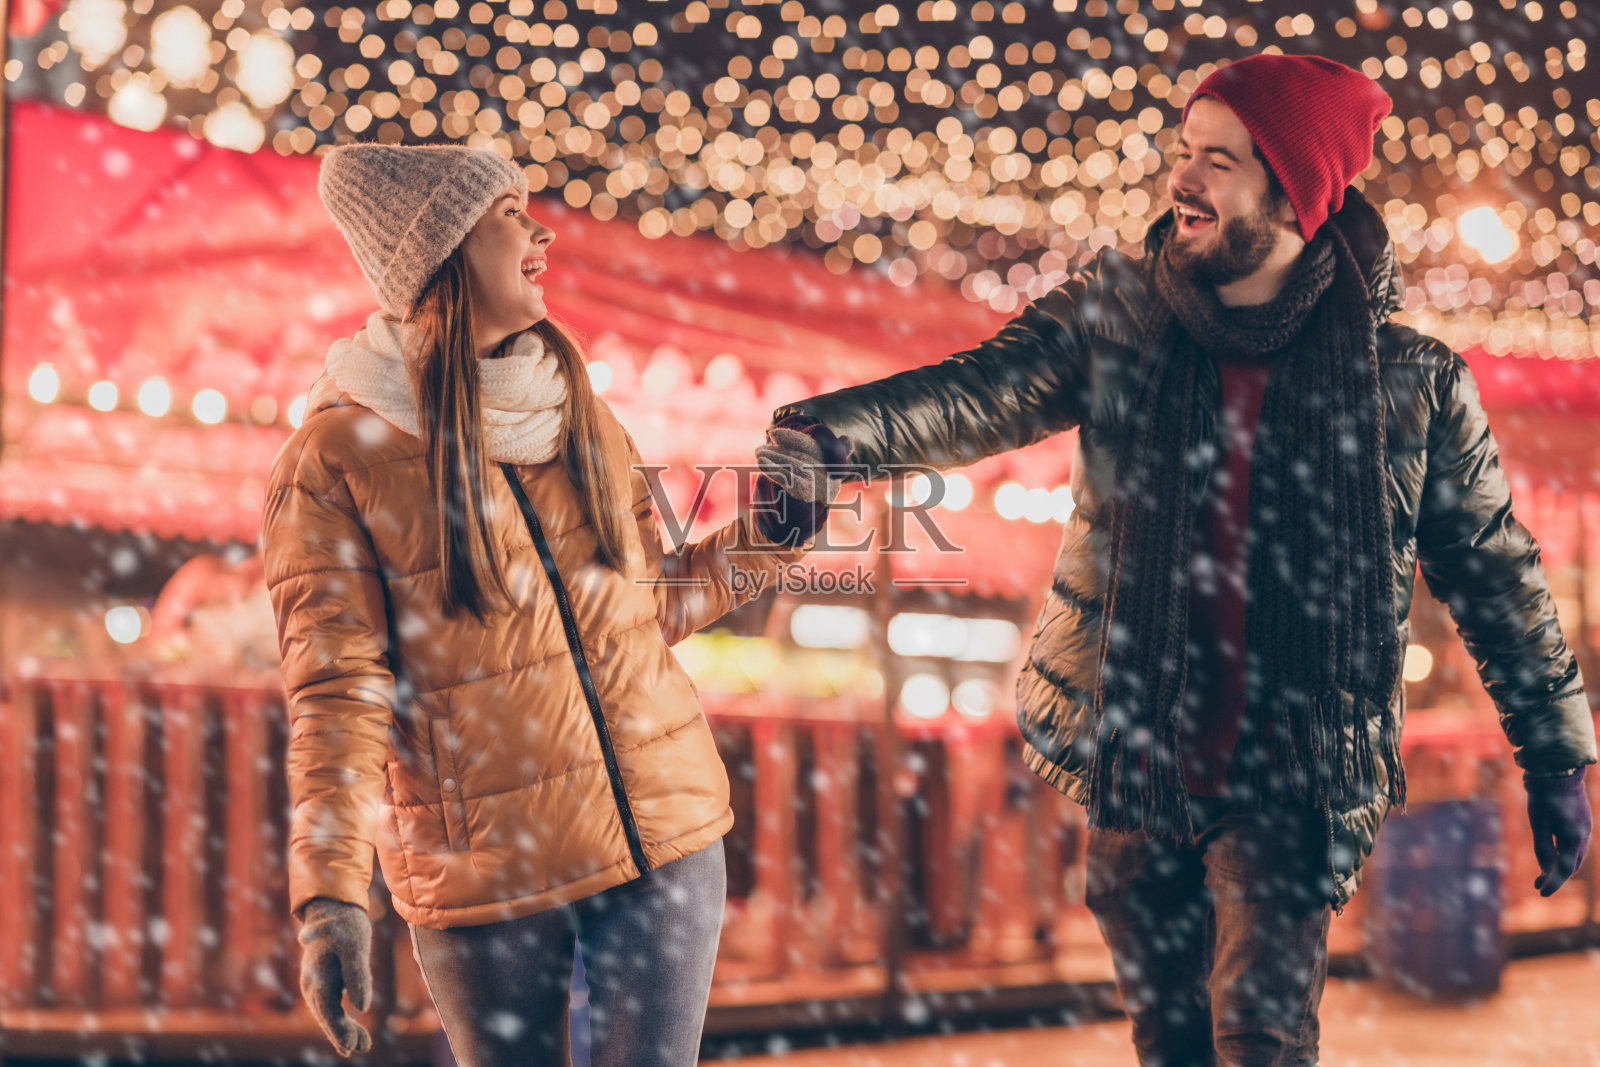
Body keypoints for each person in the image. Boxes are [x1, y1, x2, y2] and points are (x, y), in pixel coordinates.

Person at [773, 54, 1596, 1065]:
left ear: (1291, 188)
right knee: (1171, 1043)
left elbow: (1490, 568)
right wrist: (834, 436)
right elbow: (979, 393)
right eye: (1181, 152)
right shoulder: (1115, 319)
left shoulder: (1408, 382)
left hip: (1290, 772)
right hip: (1138, 757)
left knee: (1259, 1034)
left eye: (1219, 160)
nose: (1182, 179)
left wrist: (1554, 753)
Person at [261, 143, 843, 1066]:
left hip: (661, 838)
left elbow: (646, 610)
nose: (542, 230)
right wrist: (328, 895)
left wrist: (776, 528)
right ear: (442, 253)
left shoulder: (577, 411)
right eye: (506, 213)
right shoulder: (334, 460)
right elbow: (337, 696)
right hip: (485, 875)